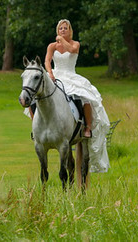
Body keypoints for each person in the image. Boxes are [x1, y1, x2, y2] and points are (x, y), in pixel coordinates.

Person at [44, 19, 111, 172]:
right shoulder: (52, 46)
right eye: (60, 28)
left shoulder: (75, 44)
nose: (62, 30)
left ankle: (86, 127)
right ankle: (39, 127)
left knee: (84, 97)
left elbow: (72, 51)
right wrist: (50, 72)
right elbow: (47, 61)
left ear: (70, 30)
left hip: (70, 75)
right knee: (38, 97)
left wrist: (62, 40)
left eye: (65, 28)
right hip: (55, 75)